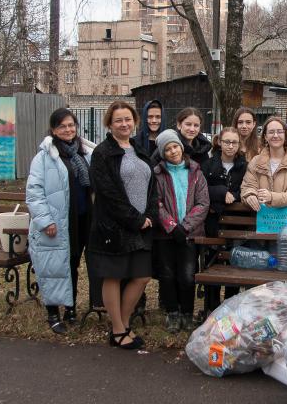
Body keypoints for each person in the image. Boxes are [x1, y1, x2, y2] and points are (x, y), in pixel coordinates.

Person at [87, 101, 157, 350]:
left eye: (128, 119)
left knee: (141, 276)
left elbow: (152, 187)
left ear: (135, 120)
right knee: (114, 276)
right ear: (109, 123)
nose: (124, 124)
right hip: (113, 226)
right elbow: (108, 194)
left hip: (141, 226)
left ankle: (123, 323)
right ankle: (118, 330)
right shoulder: (103, 153)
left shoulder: (139, 149)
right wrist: (135, 219)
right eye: (118, 120)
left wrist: (148, 215)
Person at [26, 108, 95, 335]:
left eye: (71, 125)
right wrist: (46, 221)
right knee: (53, 267)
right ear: (54, 130)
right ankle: (53, 313)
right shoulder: (44, 157)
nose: (68, 130)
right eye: (62, 126)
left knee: (72, 264)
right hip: (56, 224)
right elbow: (34, 193)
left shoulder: (84, 153)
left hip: (81, 220)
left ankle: (71, 308)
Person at [153, 129, 210, 333]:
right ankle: (172, 313)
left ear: (181, 147)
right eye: (167, 149)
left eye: (175, 146)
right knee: (167, 275)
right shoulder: (157, 174)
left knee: (187, 275)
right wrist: (170, 226)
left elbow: (203, 203)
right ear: (162, 153)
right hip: (165, 235)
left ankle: (187, 312)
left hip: (189, 234)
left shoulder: (195, 172)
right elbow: (156, 203)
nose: (173, 151)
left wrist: (184, 227)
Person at [201, 127, 247, 310]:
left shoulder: (244, 166)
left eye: (234, 142)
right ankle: (211, 307)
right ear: (219, 142)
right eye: (226, 141)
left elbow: (246, 189)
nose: (230, 146)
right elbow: (201, 189)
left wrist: (233, 196)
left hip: (236, 221)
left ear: (239, 144)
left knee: (234, 264)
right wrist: (222, 192)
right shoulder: (209, 164)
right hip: (213, 223)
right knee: (213, 261)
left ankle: (230, 307)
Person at [241, 117, 287, 211]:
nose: (275, 135)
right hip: (261, 219)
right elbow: (248, 186)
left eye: (279, 132)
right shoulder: (255, 161)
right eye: (271, 132)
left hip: (286, 221)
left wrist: (272, 197)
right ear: (265, 137)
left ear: (285, 135)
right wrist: (250, 195)